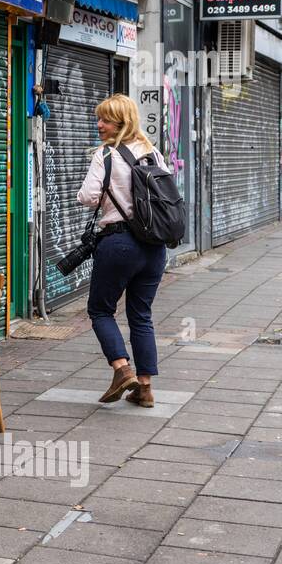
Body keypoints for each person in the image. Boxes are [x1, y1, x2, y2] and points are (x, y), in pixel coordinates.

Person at [76, 94, 168, 408]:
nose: (99, 125)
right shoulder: (154, 153)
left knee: (101, 310)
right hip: (154, 247)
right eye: (99, 118)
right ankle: (144, 388)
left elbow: (88, 196)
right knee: (141, 315)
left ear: (122, 122)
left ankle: (121, 368)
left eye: (106, 119)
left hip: (119, 243)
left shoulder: (106, 153)